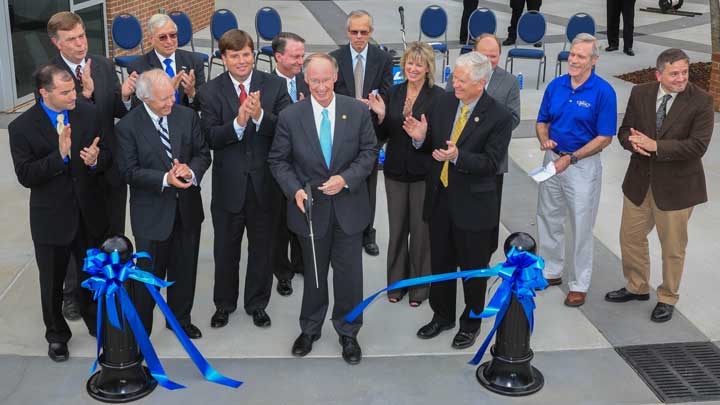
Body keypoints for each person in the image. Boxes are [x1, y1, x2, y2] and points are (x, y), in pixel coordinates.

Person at [268, 53, 377, 365]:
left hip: (349, 210)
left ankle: (348, 332)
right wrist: (294, 190)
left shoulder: (356, 111)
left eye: (325, 79)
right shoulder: (291, 116)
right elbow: (278, 161)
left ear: (335, 77)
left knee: (349, 277)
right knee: (314, 275)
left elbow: (370, 152)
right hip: (311, 212)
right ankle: (310, 329)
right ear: (306, 79)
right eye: (314, 80)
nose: (320, 86)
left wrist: (346, 179)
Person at [404, 52, 512, 349]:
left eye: (461, 80)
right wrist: (420, 138)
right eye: (454, 78)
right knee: (441, 263)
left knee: (473, 269)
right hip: (440, 200)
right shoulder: (445, 102)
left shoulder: (499, 116)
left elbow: (491, 163)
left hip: (474, 207)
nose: (455, 84)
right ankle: (442, 315)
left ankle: (471, 321)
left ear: (481, 82)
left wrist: (458, 157)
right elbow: (432, 147)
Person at [605, 49, 714, 322]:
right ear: (658, 74)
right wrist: (631, 142)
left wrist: (656, 147)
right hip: (639, 183)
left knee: (673, 247)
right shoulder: (641, 93)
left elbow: (698, 146)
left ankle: (667, 296)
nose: (681, 79)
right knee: (630, 238)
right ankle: (637, 286)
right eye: (674, 73)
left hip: (677, 189)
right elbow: (625, 130)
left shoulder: (701, 101)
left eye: (684, 73)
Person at [9, 65, 106, 361]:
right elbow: (26, 175)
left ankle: (95, 323)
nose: (72, 96)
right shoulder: (22, 128)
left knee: (91, 275)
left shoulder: (88, 114)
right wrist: (59, 157)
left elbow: (108, 155)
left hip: (87, 214)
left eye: (73, 89)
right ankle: (56, 335)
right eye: (64, 93)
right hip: (50, 219)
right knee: (51, 282)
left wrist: (94, 160)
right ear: (44, 93)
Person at [46, 11, 137, 322]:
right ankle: (74, 295)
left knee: (112, 231)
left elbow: (113, 111)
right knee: (78, 239)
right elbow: (62, 123)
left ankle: (112, 285)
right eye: (71, 39)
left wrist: (123, 98)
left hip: (109, 166)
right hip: (77, 175)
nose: (80, 43)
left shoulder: (102, 64)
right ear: (56, 42)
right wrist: (85, 93)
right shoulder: (49, 77)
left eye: (82, 35)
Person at [198, 29, 291, 329]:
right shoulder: (210, 92)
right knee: (225, 250)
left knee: (262, 250)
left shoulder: (275, 86)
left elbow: (287, 129)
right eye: (234, 56)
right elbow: (209, 137)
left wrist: (260, 115)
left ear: (254, 54)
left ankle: (257, 304)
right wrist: (238, 123)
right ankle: (224, 304)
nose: (242, 61)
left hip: (266, 187)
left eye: (246, 54)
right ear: (223, 59)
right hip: (229, 189)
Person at [116, 69, 211, 339]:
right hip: (151, 217)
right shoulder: (127, 127)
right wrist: (166, 179)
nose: (171, 102)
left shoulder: (187, 116)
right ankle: (141, 332)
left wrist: (190, 172)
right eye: (163, 99)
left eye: (172, 95)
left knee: (185, 269)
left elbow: (202, 154)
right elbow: (128, 171)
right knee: (148, 278)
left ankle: (180, 319)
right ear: (145, 99)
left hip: (187, 210)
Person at [535, 34, 617, 307]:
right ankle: (551, 270)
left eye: (581, 56)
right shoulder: (556, 86)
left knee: (582, 226)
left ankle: (579, 284)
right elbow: (542, 120)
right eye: (572, 54)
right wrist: (543, 139)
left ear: (594, 60)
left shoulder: (603, 92)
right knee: (548, 216)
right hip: (552, 160)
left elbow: (605, 137)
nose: (573, 60)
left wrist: (571, 158)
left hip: (582, 166)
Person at [367, 42, 443, 307]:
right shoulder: (395, 92)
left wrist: (422, 138)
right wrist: (381, 116)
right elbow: (385, 133)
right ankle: (396, 285)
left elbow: (441, 140)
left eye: (419, 64)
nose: (413, 68)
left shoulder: (438, 97)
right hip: (395, 173)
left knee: (421, 234)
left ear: (427, 68)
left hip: (424, 175)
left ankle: (419, 288)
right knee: (397, 230)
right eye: (410, 63)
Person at [330, 10, 393, 257]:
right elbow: (330, 93)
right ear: (347, 32)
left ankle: (368, 234)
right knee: (341, 183)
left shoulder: (383, 59)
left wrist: (376, 104)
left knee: (368, 186)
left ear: (371, 32)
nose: (358, 37)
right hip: (342, 133)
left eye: (363, 32)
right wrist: (352, 103)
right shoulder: (336, 58)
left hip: (370, 133)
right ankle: (344, 231)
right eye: (354, 32)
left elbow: (387, 92)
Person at [446, 34, 521, 236]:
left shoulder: (510, 82)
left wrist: (487, 128)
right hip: (456, 157)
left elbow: (514, 117)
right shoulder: (458, 77)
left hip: (490, 160)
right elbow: (448, 107)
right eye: (483, 55)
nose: (488, 60)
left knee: (486, 217)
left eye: (493, 55)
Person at [270, 32, 309, 297]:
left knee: (302, 214)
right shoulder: (265, 85)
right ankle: (282, 273)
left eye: (302, 55)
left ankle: (300, 263)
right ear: (279, 56)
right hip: (278, 165)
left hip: (305, 164)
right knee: (278, 223)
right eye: (295, 56)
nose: (300, 61)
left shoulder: (305, 82)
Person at [127, 13, 205, 110]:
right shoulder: (138, 67)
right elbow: (138, 108)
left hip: (187, 121)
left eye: (173, 35)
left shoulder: (194, 61)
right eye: (162, 37)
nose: (169, 41)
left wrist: (192, 93)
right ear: (151, 39)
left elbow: (203, 104)